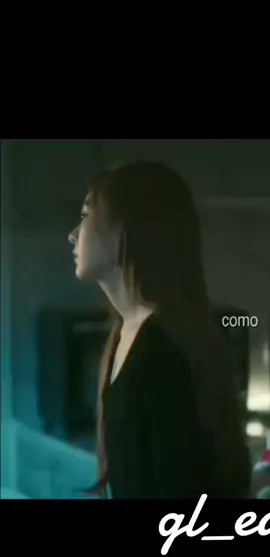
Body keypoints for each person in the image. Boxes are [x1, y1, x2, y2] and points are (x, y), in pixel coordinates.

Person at [68, 160, 251, 499]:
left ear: (125, 228)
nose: (73, 235)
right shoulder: (125, 333)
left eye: (85, 216)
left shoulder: (163, 349)